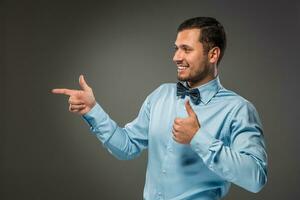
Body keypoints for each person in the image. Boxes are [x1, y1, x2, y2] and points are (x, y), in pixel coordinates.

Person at [52, 17, 267, 200]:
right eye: (176, 48)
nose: (176, 57)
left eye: (186, 49)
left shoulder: (238, 109)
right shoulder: (160, 95)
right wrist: (92, 110)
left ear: (213, 55)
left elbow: (255, 177)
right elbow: (127, 146)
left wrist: (198, 137)